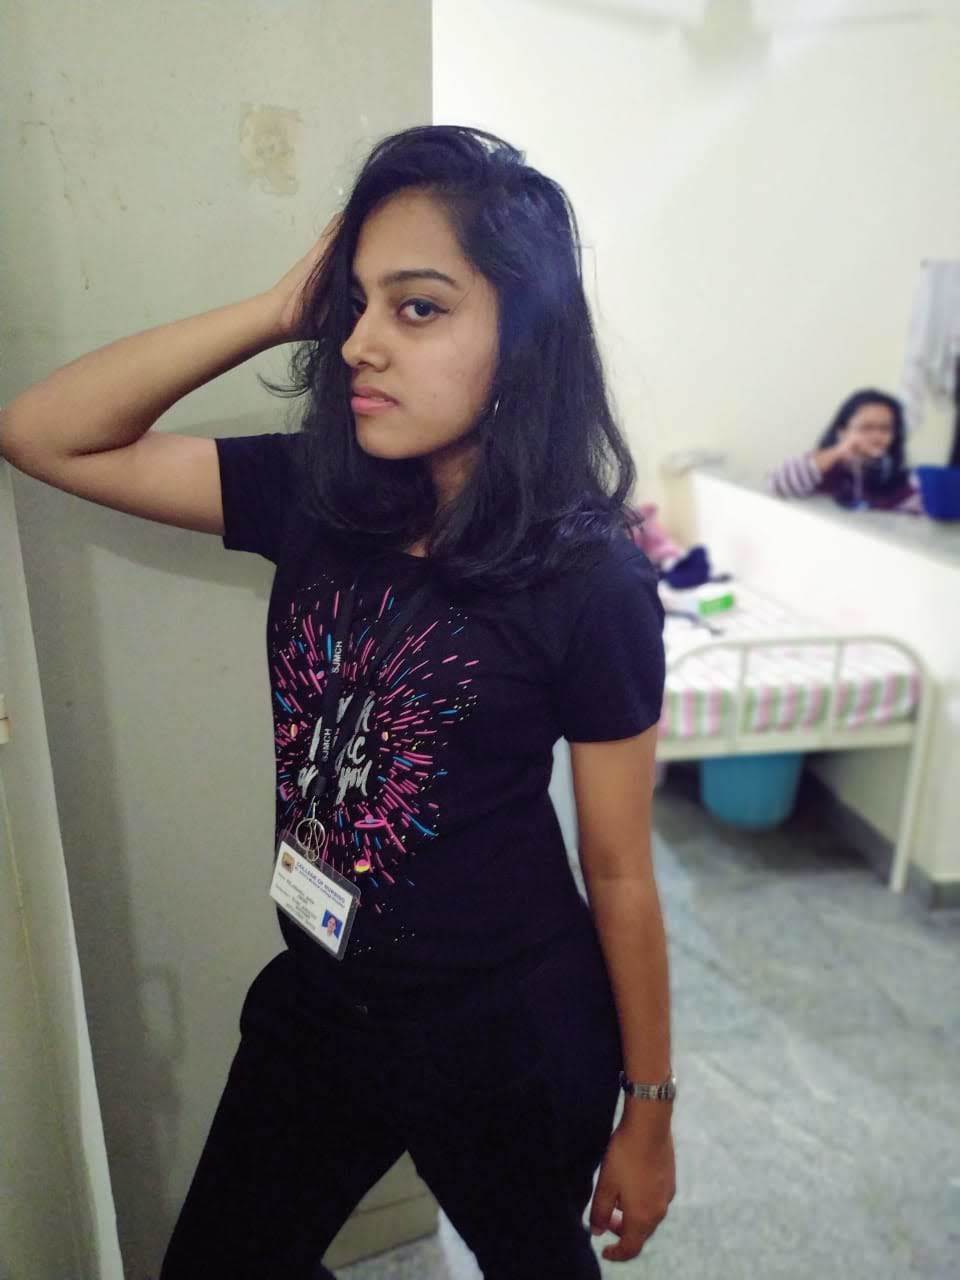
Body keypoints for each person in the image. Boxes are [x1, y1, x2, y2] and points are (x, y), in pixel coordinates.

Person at [0, 125, 674, 1279]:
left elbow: (618, 869)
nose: (359, 342)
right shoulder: (318, 494)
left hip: (504, 1025)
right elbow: (42, 432)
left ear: (525, 337)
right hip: (322, 996)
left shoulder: (591, 579)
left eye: (418, 307)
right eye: (354, 304)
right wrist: (277, 308)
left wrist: (649, 1107)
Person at [768, 388, 924, 513]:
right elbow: (777, 484)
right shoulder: (821, 469)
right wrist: (839, 451)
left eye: (885, 429)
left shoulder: (904, 482)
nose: (877, 437)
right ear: (842, 432)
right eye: (866, 427)